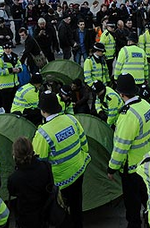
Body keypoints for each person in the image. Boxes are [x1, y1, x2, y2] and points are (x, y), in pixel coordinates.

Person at [33, 90, 90, 228]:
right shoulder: (72, 119)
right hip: (79, 171)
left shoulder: (42, 133)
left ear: (43, 110)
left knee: (61, 214)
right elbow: (85, 146)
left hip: (60, 181)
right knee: (77, 205)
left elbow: (39, 165)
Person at [107, 73, 150, 228]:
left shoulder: (128, 116)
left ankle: (134, 224)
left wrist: (112, 168)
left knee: (131, 202)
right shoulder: (146, 105)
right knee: (146, 195)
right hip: (146, 159)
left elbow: (121, 147)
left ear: (121, 94)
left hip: (131, 166)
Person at [8, 136, 54, 228]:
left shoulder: (14, 178)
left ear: (15, 156)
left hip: (26, 219)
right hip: (45, 213)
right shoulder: (45, 166)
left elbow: (12, 192)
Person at [0, 43, 22, 112]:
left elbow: (20, 65)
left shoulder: (15, 57)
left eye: (9, 49)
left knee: (14, 103)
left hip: (14, 84)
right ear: (3, 49)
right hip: (4, 86)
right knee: (6, 105)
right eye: (6, 49)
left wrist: (19, 69)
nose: (7, 50)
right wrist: (10, 70)